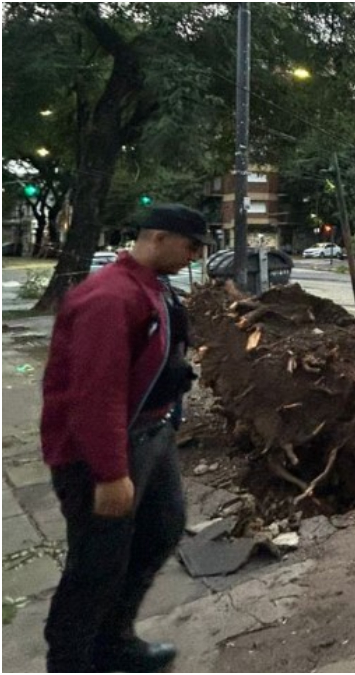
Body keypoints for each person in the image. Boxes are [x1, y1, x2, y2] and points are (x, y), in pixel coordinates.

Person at [40, 204, 211, 672]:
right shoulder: (109, 298)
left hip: (152, 436)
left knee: (161, 530)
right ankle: (72, 660)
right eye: (190, 246)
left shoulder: (153, 287)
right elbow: (95, 395)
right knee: (97, 562)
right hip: (103, 451)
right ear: (156, 237)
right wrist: (110, 473)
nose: (195, 256)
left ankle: (114, 641)